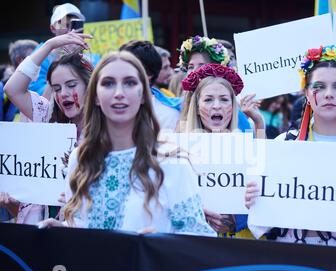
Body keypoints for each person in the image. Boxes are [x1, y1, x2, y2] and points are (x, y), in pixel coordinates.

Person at [39, 51, 216, 236]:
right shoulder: (80, 158)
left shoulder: (171, 162)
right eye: (108, 83)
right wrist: (65, 231)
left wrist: (162, 244)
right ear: (96, 96)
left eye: (130, 83)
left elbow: (200, 240)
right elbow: (83, 226)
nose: (119, 93)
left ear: (142, 95)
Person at [245, 45, 336, 246]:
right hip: (289, 261)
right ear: (306, 93)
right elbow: (261, 222)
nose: (329, 94)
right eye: (319, 86)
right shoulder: (282, 146)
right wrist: (255, 199)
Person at [3, 31, 93, 224]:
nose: (64, 94)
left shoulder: (106, 134)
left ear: (90, 86)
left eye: (71, 85)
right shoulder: (47, 117)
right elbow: (12, 89)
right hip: (39, 232)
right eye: (57, 88)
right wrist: (49, 46)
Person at [179, 63, 265, 237]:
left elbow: (264, 188)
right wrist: (198, 214)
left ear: (233, 106)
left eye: (224, 99)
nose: (216, 106)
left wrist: (259, 123)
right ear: (197, 106)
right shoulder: (179, 148)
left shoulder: (247, 145)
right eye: (208, 99)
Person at [177, 35, 252, 134]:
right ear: (197, 107)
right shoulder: (176, 110)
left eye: (202, 66)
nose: (194, 72)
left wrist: (258, 121)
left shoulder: (239, 126)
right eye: (190, 67)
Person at [120, 40, 182, 131]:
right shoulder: (113, 108)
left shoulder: (167, 115)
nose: (120, 73)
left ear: (149, 74)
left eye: (130, 68)